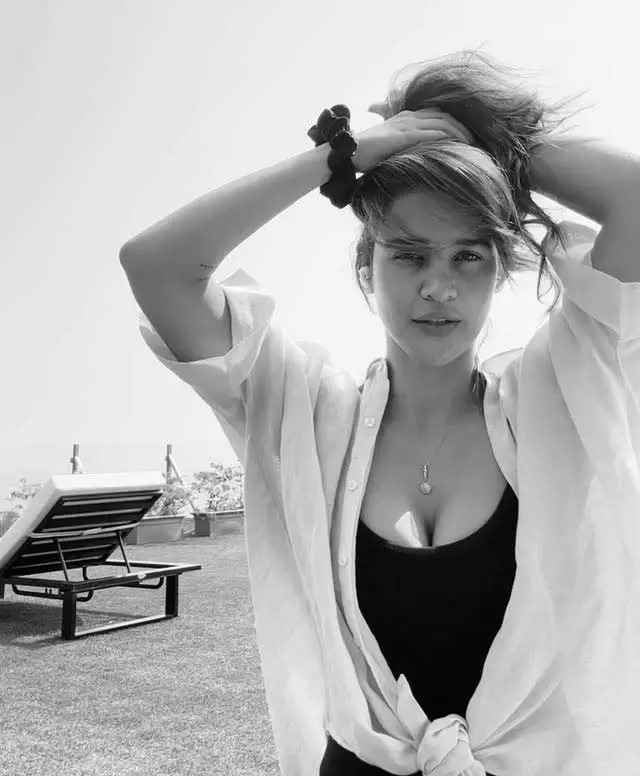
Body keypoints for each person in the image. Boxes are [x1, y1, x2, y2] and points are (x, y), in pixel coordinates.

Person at [119, 50, 640, 775]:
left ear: (498, 272)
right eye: (409, 255)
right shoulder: (303, 412)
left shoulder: (557, 395)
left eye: (468, 257)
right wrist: (347, 156)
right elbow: (156, 264)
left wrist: (475, 133)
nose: (439, 287)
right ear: (367, 269)